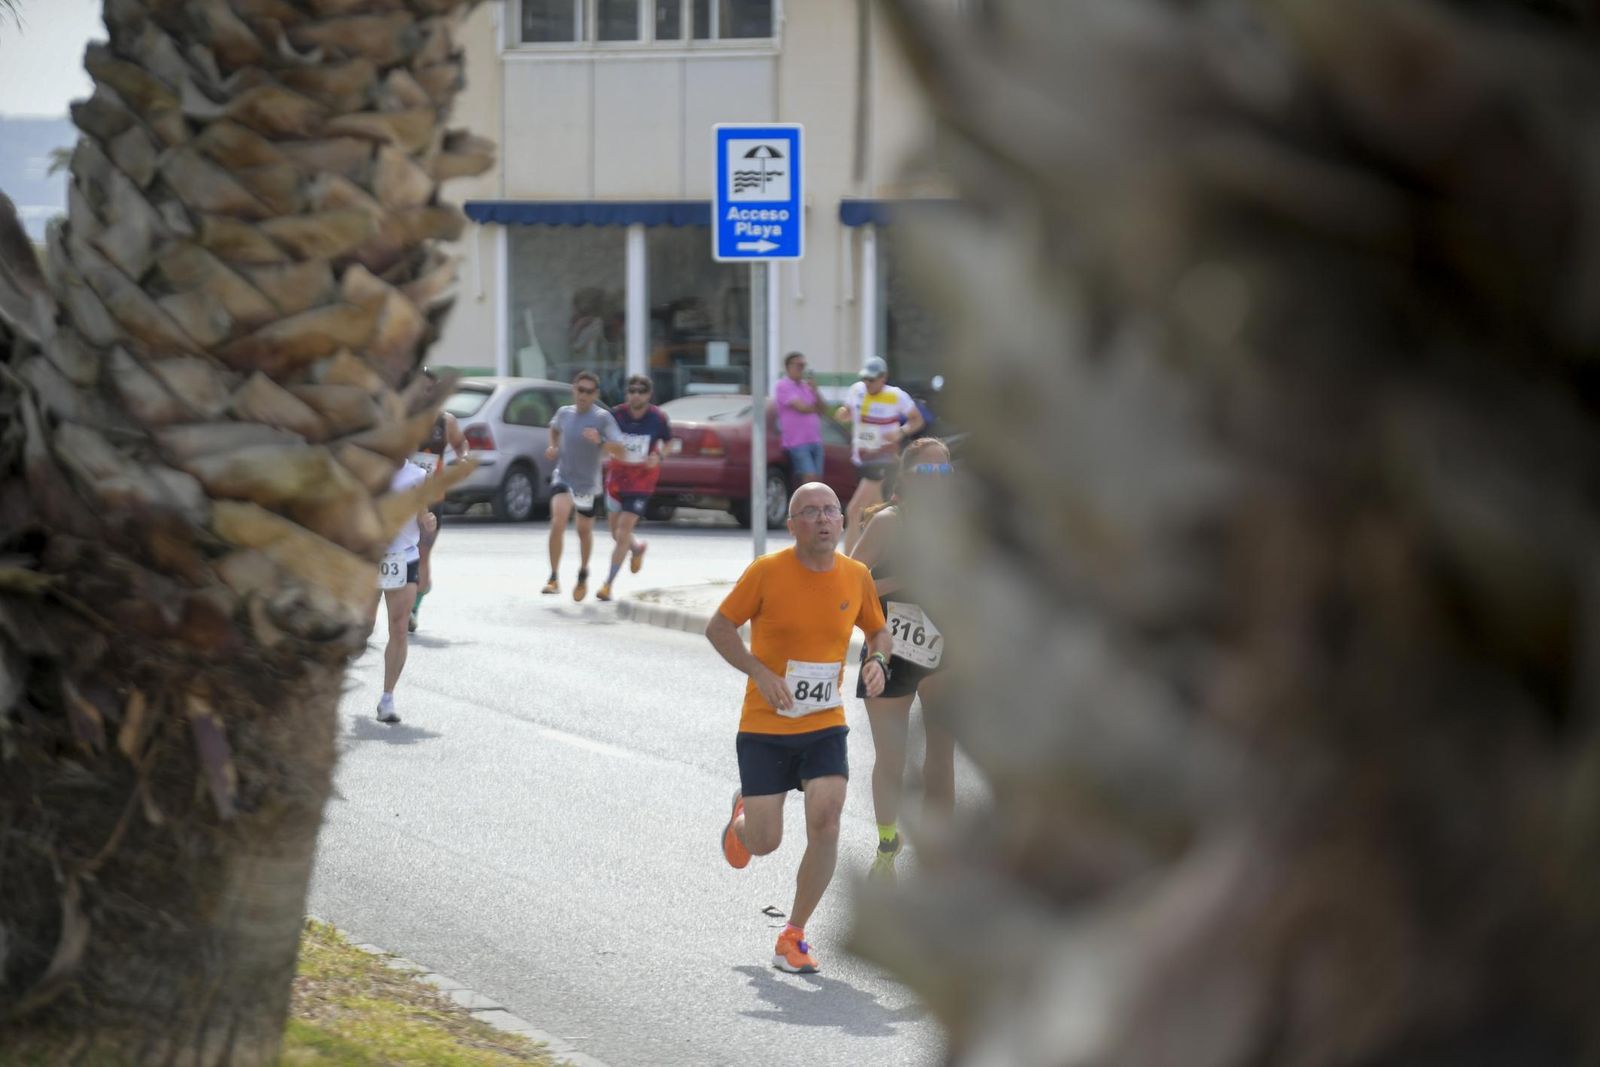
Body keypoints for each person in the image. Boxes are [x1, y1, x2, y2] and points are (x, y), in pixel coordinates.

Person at [706, 482, 893, 974]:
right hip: (765, 725)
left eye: (831, 510)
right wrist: (759, 672)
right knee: (765, 841)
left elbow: (878, 630)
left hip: (824, 723)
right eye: (810, 512)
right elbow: (718, 627)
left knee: (827, 821)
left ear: (843, 521)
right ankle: (743, 820)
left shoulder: (855, 576)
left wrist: (878, 661)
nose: (823, 519)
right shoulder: (766, 572)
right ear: (792, 526)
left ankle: (793, 934)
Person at [849, 438, 958, 882]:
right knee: (892, 758)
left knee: (942, 756)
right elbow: (849, 584)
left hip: (942, 646)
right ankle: (887, 845)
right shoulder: (889, 522)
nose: (937, 478)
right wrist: (903, 578)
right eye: (927, 470)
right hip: (890, 646)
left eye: (944, 470)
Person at [543, 370, 625, 601]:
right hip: (564, 477)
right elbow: (554, 428)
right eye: (580, 390)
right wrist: (553, 446)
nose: (583, 396)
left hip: (587, 484)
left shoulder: (602, 418)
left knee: (583, 531)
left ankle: (583, 573)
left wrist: (600, 440)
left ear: (595, 394)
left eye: (589, 392)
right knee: (557, 521)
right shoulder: (564, 413)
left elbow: (619, 448)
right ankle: (553, 577)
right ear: (574, 390)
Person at [371, 459, 438, 724]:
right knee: (363, 626)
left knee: (399, 628)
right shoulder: (367, 468)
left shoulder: (417, 475)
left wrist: (427, 522)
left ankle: (387, 698)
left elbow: (422, 516)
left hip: (404, 558)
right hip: (370, 557)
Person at [837, 356, 924, 554]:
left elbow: (917, 420)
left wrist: (901, 432)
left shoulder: (896, 395)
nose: (867, 383)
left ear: (883, 378)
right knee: (875, 512)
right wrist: (843, 413)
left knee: (854, 510)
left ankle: (849, 562)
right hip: (861, 459)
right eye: (865, 378)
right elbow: (847, 412)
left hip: (883, 460)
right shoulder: (857, 390)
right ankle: (878, 558)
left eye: (872, 379)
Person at [598, 374, 672, 602]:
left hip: (642, 481)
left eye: (641, 391)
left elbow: (669, 442)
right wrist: (606, 447)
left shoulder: (657, 418)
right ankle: (637, 549)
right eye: (632, 391)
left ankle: (607, 585)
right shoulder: (615, 415)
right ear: (626, 393)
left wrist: (659, 457)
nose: (636, 395)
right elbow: (603, 441)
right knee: (615, 533)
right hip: (617, 479)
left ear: (649, 395)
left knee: (622, 531)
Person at [410, 370, 470, 632]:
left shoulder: (446, 421)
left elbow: (460, 443)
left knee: (422, 553)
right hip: (403, 500)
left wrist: (463, 457)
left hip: (432, 498)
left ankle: (413, 608)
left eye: (427, 388)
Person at [774, 351, 827, 491]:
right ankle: (806, 503)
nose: (801, 369)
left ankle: (813, 502)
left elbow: (823, 408)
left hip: (814, 439)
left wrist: (815, 390)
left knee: (818, 479)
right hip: (797, 441)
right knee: (809, 477)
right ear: (788, 367)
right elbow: (802, 408)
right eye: (798, 365)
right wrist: (816, 408)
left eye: (803, 365)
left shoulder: (806, 387)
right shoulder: (783, 385)